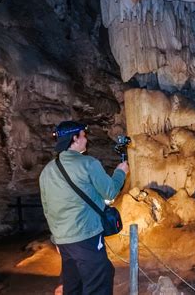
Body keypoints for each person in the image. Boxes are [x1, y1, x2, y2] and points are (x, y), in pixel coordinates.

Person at [39, 121, 129, 295]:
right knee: (98, 283)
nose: (86, 140)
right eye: (83, 136)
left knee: (73, 286)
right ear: (74, 138)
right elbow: (109, 192)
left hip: (64, 241)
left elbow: (47, 209)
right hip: (86, 237)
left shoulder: (47, 171)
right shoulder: (88, 163)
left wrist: (56, 238)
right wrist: (121, 172)